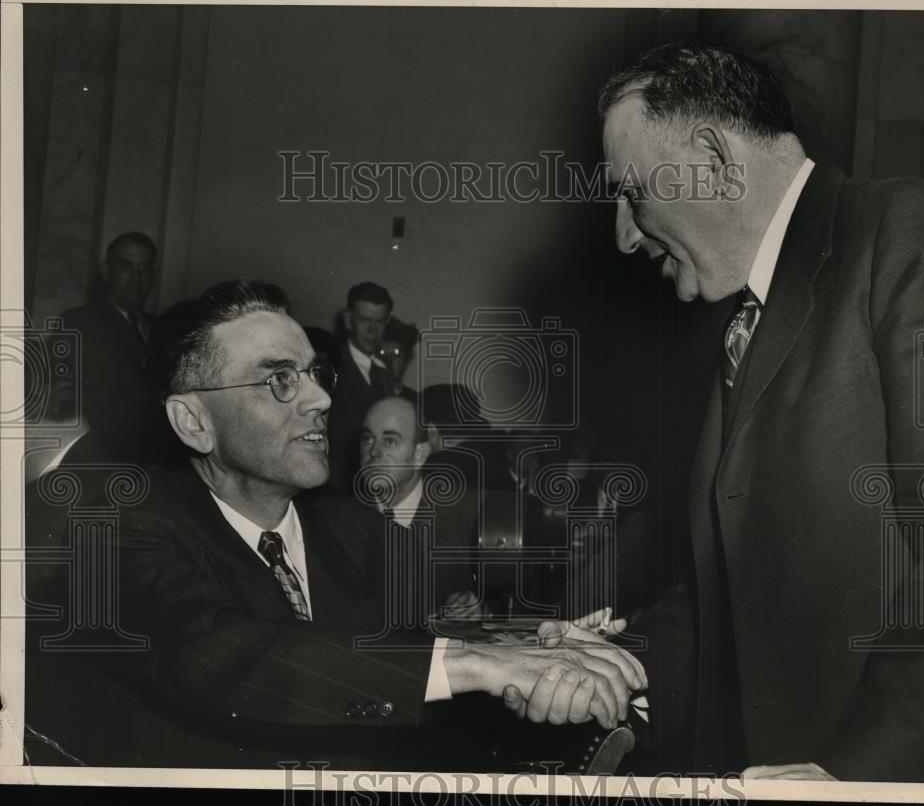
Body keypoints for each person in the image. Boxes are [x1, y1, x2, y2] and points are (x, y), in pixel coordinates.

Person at [509, 43, 924, 783]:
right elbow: (736, 596)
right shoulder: (739, 323)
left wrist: (860, 776)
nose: (624, 235)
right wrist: (625, 663)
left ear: (713, 159)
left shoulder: (907, 231)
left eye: (631, 192)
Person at [25, 279, 646, 769]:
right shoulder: (117, 530)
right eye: (279, 380)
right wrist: (478, 664)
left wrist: (540, 641)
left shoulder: (348, 524)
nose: (321, 399)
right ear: (193, 422)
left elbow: (447, 614)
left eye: (316, 375)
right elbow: (225, 654)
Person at [359, 396, 482, 622]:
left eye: (389, 441)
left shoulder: (471, 513)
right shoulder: (338, 517)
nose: (373, 452)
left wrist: (478, 604)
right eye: (367, 438)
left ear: (419, 454)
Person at [60, 231, 178, 466]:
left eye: (145, 269)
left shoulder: (162, 329)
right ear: (107, 271)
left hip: (159, 463)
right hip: (106, 464)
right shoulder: (78, 324)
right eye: (127, 267)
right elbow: (68, 405)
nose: (137, 278)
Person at [327, 281, 394, 491]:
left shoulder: (384, 372)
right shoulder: (330, 366)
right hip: (337, 491)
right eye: (365, 321)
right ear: (348, 320)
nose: (373, 331)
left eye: (380, 322)